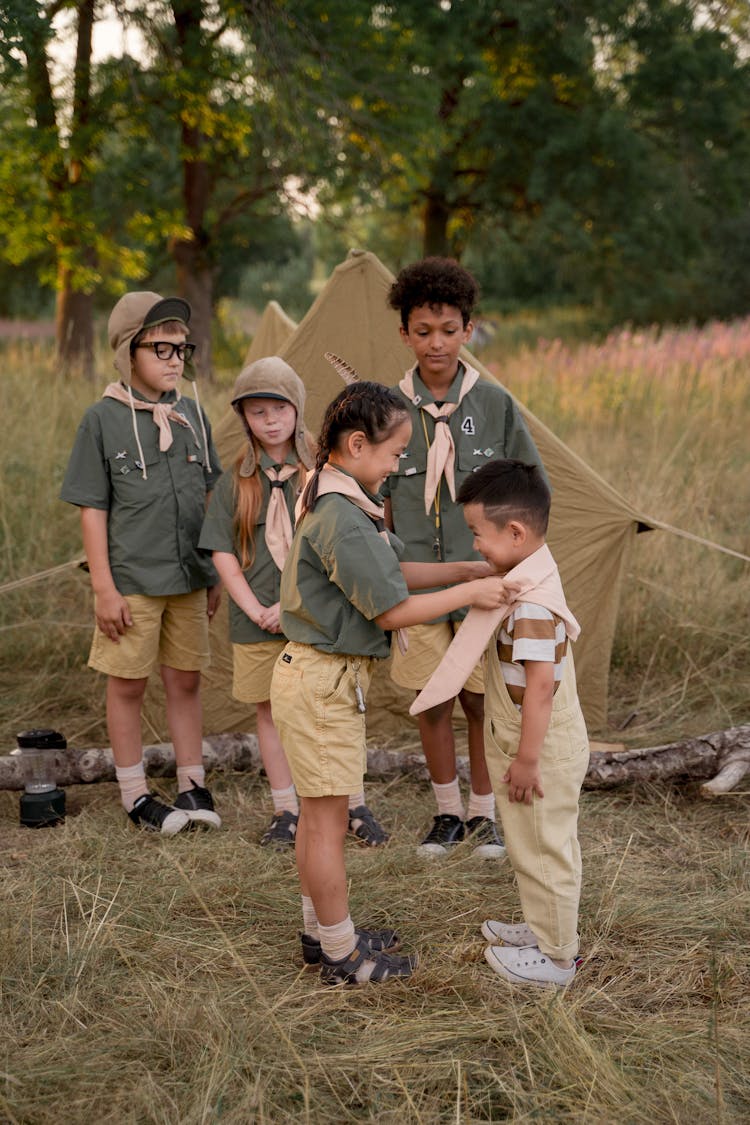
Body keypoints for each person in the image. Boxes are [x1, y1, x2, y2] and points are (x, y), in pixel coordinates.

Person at [270, 380, 513, 986]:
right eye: (393, 452)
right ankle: (341, 955)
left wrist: (462, 567)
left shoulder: (345, 499)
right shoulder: (342, 516)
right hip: (321, 686)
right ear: (357, 445)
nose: (400, 463)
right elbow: (389, 609)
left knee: (316, 818)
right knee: (326, 824)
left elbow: (390, 570)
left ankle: (321, 931)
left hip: (318, 681)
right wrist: (472, 592)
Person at [383, 256, 547, 858]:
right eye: (423, 331)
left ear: (467, 330)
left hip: (486, 582)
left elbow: (532, 491)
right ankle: (445, 812)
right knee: (432, 698)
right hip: (420, 585)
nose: (436, 343)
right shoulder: (387, 410)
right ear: (404, 334)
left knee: (482, 698)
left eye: (448, 330)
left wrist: (516, 567)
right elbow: (372, 497)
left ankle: (484, 814)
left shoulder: (496, 405)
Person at [60, 291, 222, 835]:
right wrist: (104, 589)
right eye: (162, 348)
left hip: (189, 577)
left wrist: (216, 570)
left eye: (182, 348)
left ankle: (192, 782)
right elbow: (92, 511)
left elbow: (209, 497)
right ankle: (133, 793)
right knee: (127, 684)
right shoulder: (101, 420)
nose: (176, 358)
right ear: (129, 350)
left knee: (186, 679)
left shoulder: (194, 414)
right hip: (132, 579)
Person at [453, 459, 589, 988]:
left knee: (543, 848)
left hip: (538, 749)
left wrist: (527, 759)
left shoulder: (531, 605)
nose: (476, 547)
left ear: (515, 532)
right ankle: (543, 927)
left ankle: (556, 959)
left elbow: (538, 689)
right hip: (533, 742)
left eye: (478, 535)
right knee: (536, 842)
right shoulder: (532, 570)